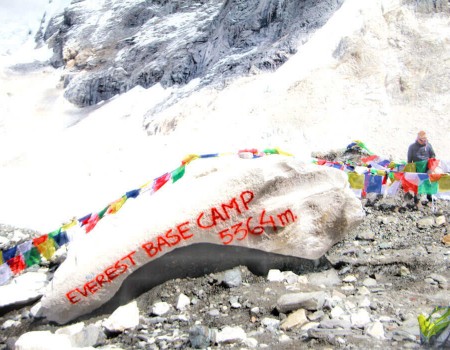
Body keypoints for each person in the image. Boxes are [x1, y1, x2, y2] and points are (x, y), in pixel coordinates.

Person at [407, 130, 436, 205]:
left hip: (426, 166)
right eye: (421, 140)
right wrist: (410, 169)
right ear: (417, 139)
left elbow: (433, 155)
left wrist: (431, 166)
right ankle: (417, 198)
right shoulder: (412, 147)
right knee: (417, 183)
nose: (423, 141)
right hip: (417, 167)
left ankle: (429, 196)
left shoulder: (428, 146)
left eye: (424, 140)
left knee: (427, 182)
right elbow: (409, 160)